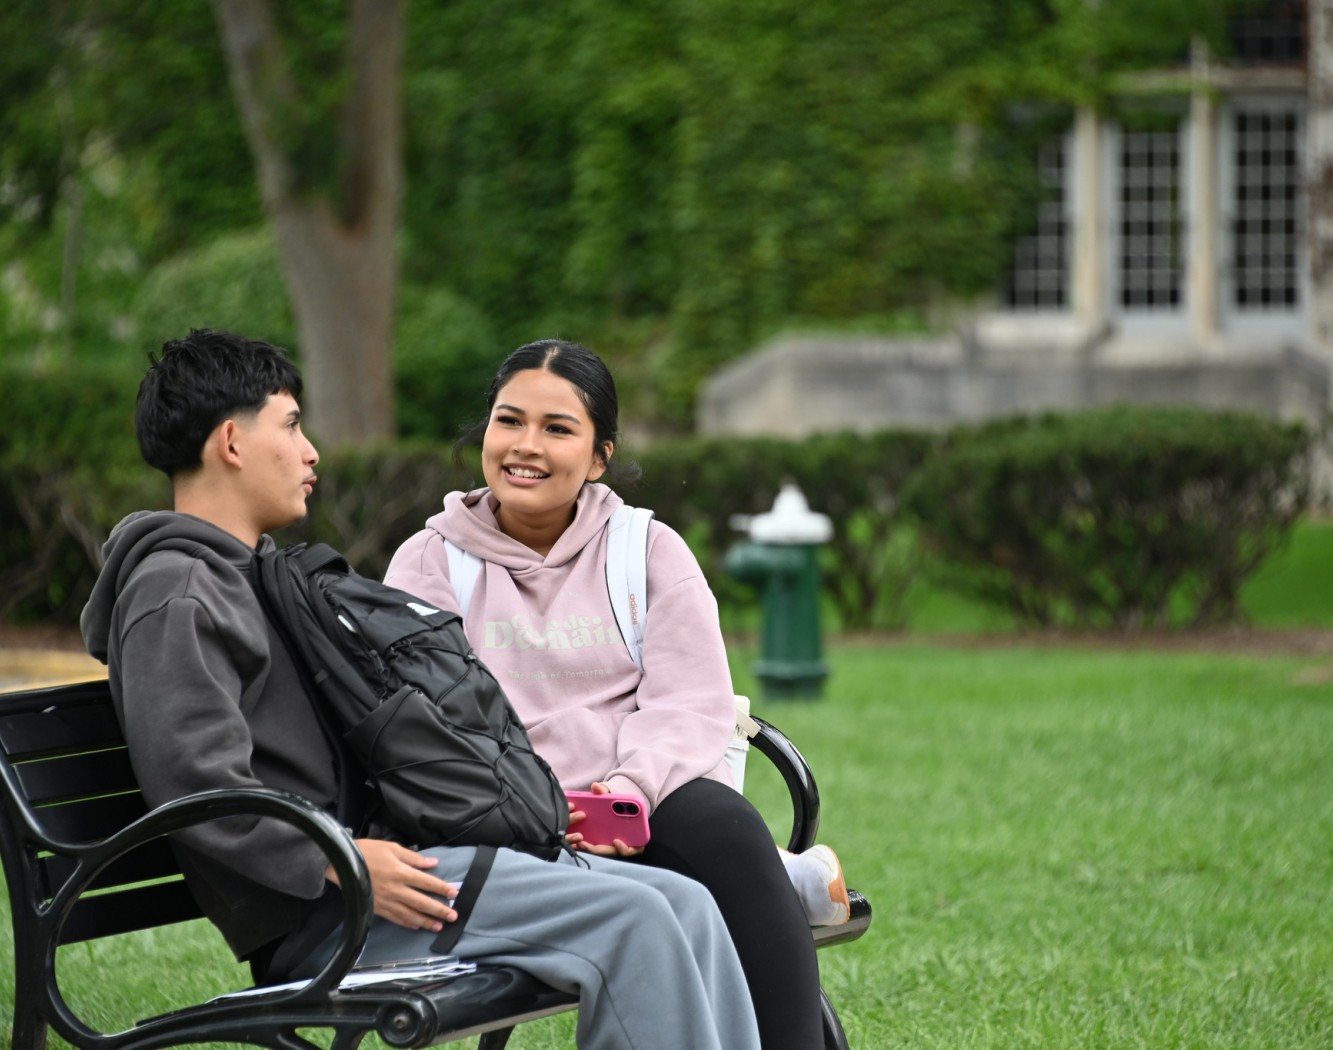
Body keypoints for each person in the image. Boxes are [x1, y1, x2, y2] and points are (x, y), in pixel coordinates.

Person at [78, 329, 760, 1050]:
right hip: (335, 910)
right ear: (231, 443)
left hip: (392, 865)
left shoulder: (257, 575)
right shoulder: (177, 593)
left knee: (683, 902)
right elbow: (195, 787)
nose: (312, 452)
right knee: (640, 920)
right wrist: (336, 857)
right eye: (292, 425)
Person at [385, 338, 845, 1049]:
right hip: (506, 815)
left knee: (726, 833)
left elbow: (688, 703)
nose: (524, 446)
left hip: (638, 797)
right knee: (732, 881)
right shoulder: (429, 562)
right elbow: (428, 721)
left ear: (600, 455)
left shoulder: (646, 551)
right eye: (509, 422)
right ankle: (793, 882)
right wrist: (539, 803)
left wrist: (623, 794)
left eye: (557, 428)